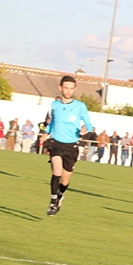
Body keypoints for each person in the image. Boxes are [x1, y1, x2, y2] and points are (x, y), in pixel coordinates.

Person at [44, 76, 94, 216]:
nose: (68, 91)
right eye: (66, 88)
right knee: (57, 172)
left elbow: (89, 124)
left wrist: (86, 129)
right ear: (60, 88)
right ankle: (53, 201)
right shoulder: (55, 105)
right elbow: (52, 123)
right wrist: (45, 133)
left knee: (65, 180)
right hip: (56, 143)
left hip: (71, 146)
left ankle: (60, 195)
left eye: (71, 88)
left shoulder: (80, 106)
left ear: (75, 89)